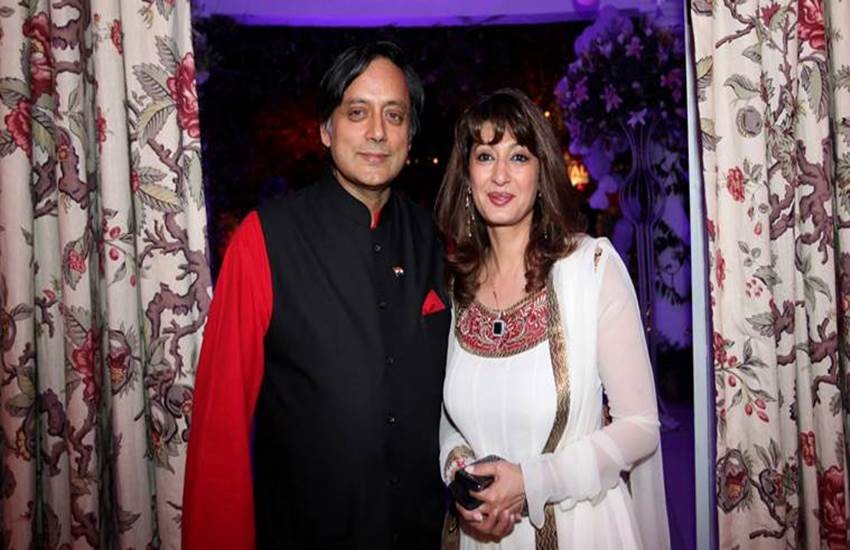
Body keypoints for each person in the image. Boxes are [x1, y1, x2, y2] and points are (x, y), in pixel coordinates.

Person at [182, 42, 451, 549]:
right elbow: (221, 428)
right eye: (357, 112)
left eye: (394, 115)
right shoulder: (265, 240)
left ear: (410, 135)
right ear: (326, 130)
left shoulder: (434, 238)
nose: (377, 132)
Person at [434, 89, 669, 549]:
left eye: (519, 156)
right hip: (482, 534)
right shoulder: (458, 286)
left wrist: (532, 481)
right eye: (485, 156)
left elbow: (640, 427)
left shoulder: (590, 269)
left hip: (582, 527)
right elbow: (451, 417)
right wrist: (460, 472)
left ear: (542, 172)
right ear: (467, 176)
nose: (500, 174)